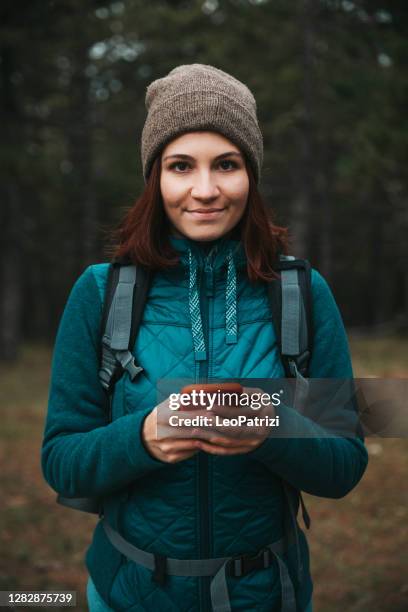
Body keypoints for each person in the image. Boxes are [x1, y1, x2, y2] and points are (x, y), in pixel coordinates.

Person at [41, 64, 368, 612]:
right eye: (180, 166)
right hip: (130, 594)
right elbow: (61, 458)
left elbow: (345, 466)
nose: (206, 189)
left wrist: (268, 426)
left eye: (227, 164)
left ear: (251, 174)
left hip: (266, 594)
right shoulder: (100, 293)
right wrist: (142, 437)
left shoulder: (303, 293)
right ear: (156, 178)